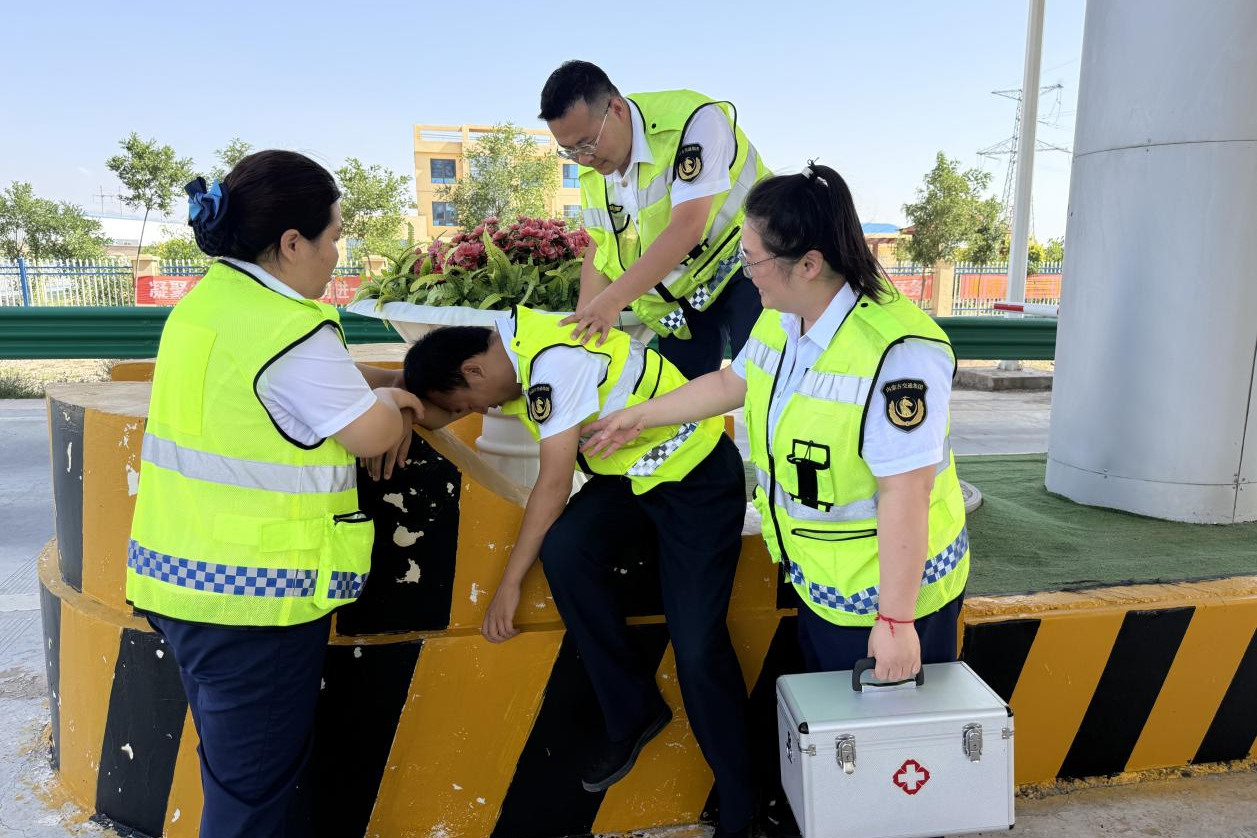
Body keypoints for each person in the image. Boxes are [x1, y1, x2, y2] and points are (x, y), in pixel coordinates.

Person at [126, 150, 423, 838]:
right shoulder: (289, 327)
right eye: (335, 236)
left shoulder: (211, 303)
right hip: (254, 604)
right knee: (253, 801)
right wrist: (399, 400)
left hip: (182, 582)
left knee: (237, 778)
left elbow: (270, 400)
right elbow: (371, 434)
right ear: (292, 243)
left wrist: (366, 388)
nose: (337, 252)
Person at [585, 162, 969, 686]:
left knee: (892, 758)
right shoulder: (783, 314)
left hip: (889, 603)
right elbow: (731, 384)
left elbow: (906, 492)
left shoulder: (898, 353)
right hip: (823, 583)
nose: (745, 271)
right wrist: (638, 416)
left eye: (751, 258)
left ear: (809, 264)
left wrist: (897, 623)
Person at [402, 305, 757, 838]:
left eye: (466, 402)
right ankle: (634, 711)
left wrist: (507, 586)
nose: (477, 409)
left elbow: (552, 485)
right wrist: (391, 395)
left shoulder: (552, 362)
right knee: (567, 549)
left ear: (473, 371)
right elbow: (415, 395)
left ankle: (742, 808)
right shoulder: (515, 352)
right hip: (629, 480)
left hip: (695, 478)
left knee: (698, 647)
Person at [539, 60, 770, 381]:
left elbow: (687, 227)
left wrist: (611, 302)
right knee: (680, 408)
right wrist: (583, 327)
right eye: (569, 151)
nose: (583, 159)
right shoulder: (594, 168)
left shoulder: (692, 123)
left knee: (761, 385)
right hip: (682, 299)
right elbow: (601, 246)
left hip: (748, 270)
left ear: (616, 109)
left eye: (587, 144)